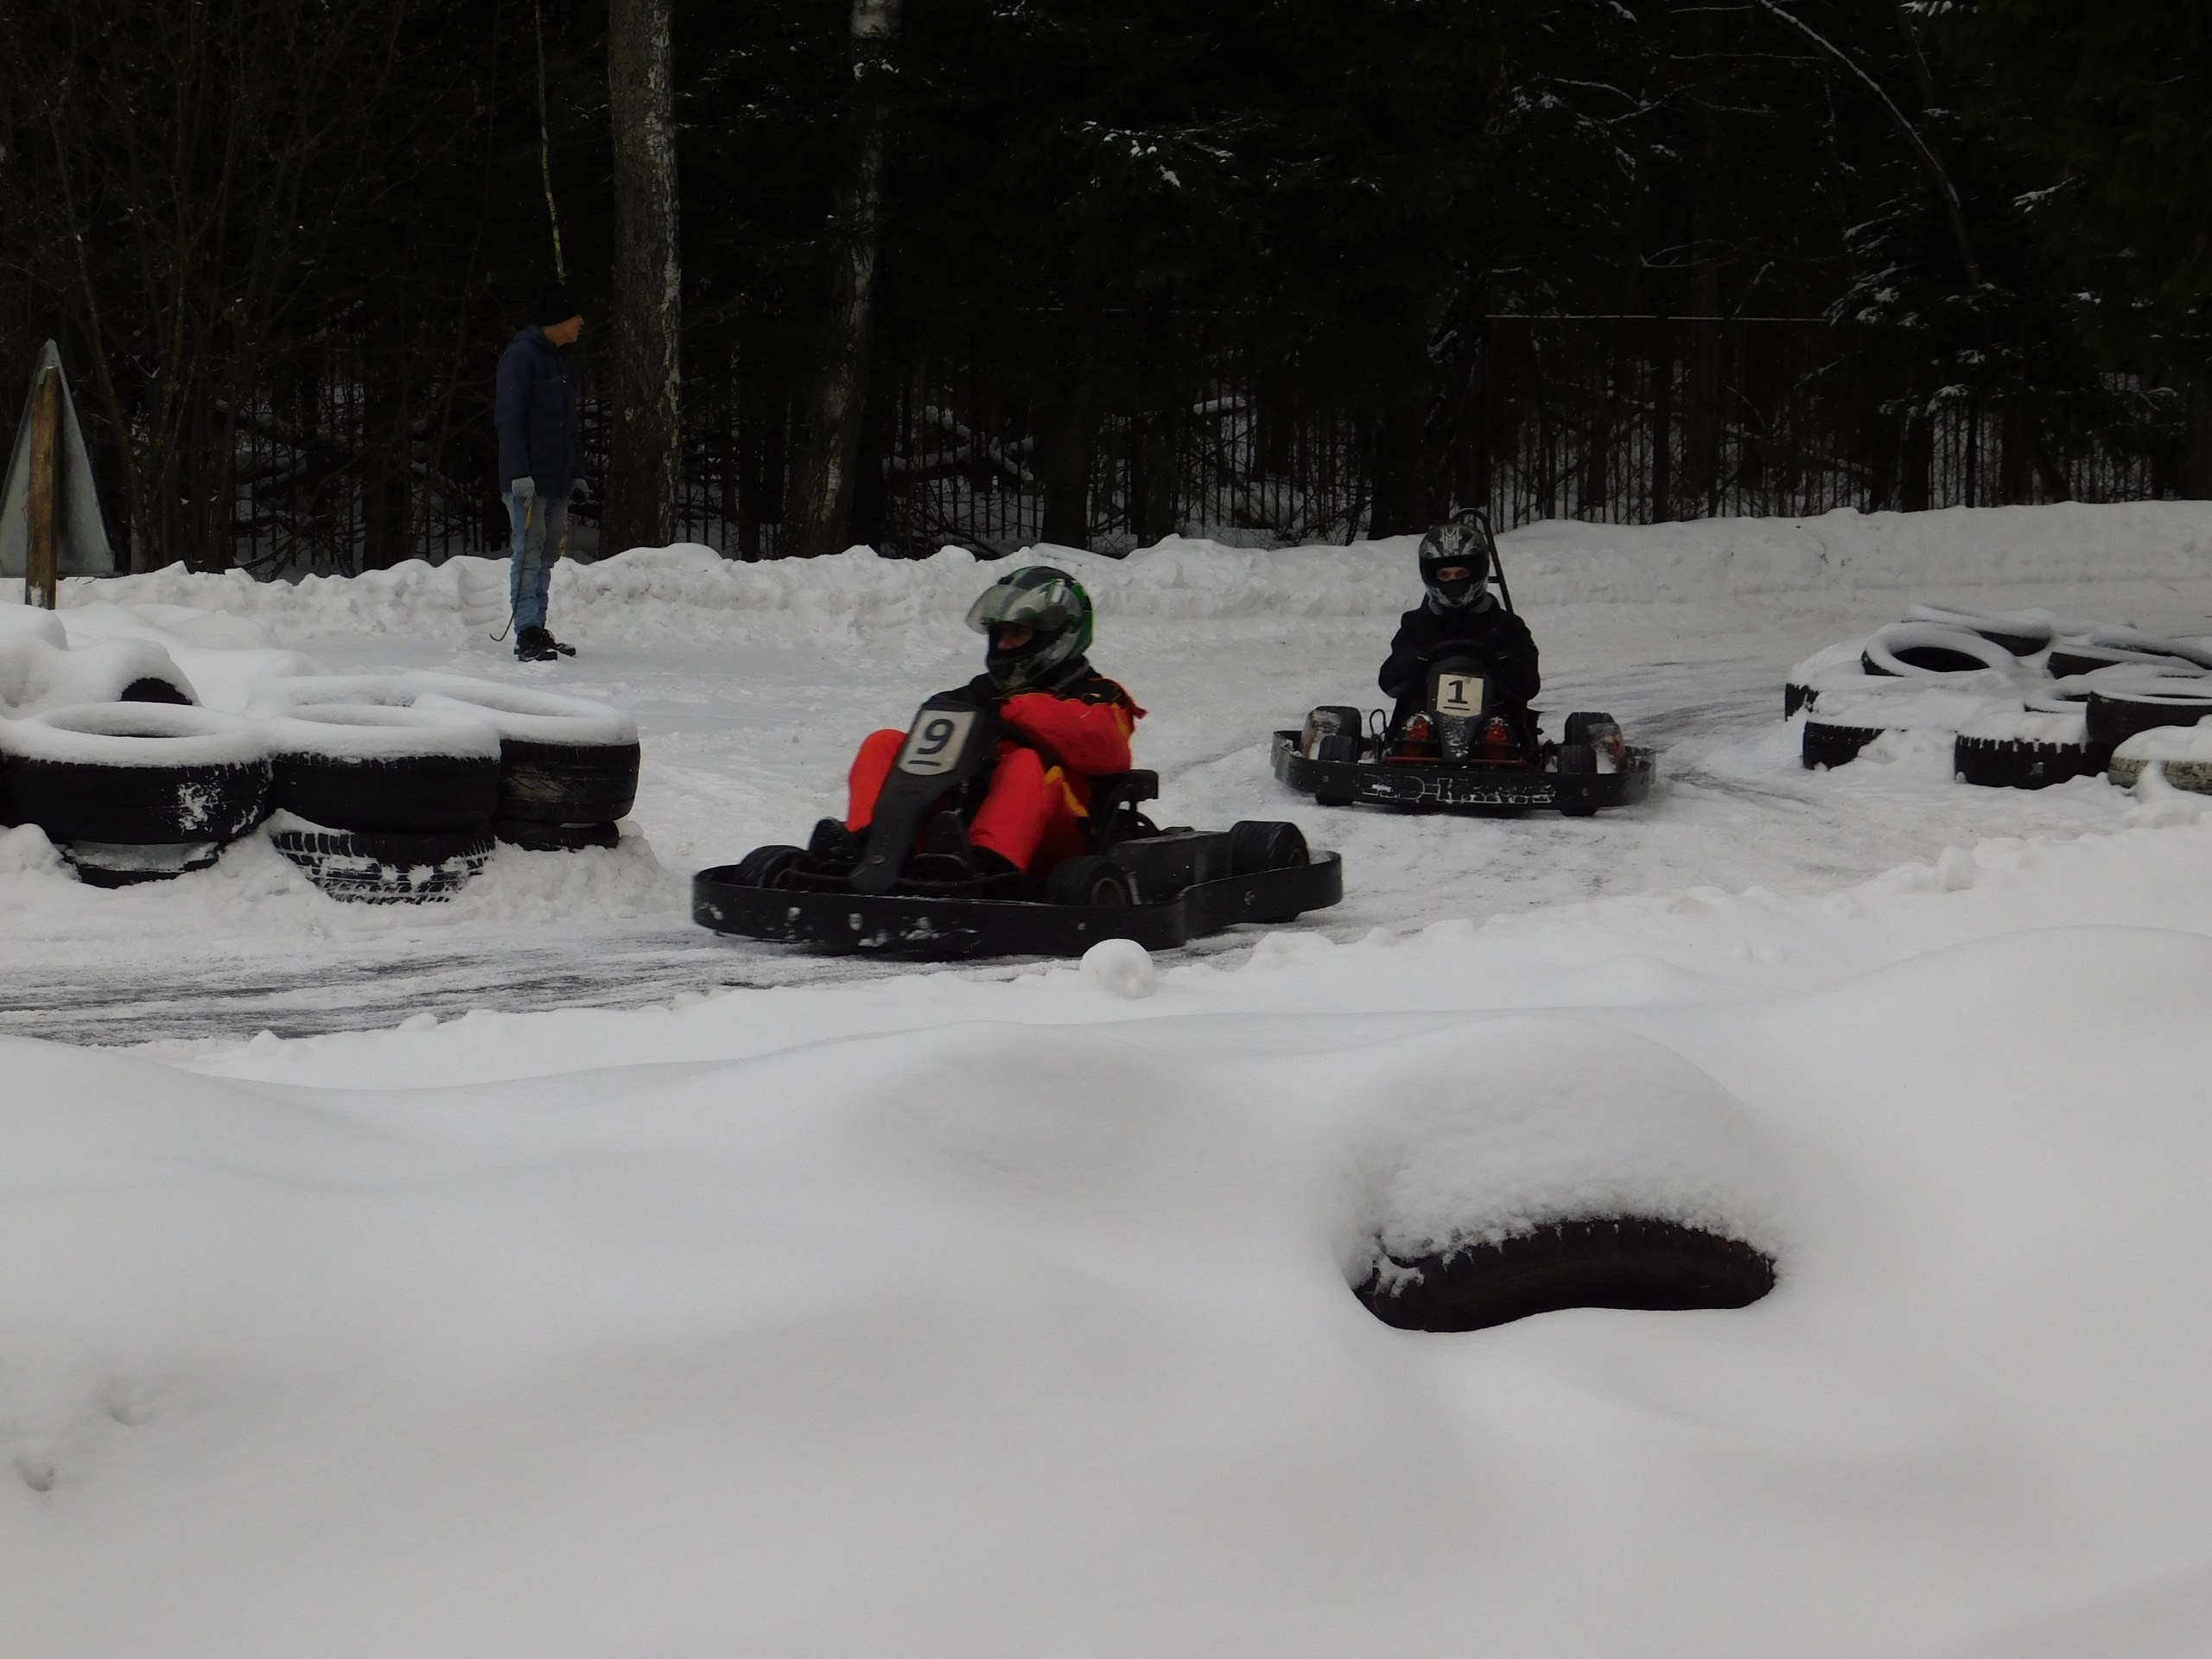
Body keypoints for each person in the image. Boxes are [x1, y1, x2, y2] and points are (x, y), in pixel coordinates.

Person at [816, 566, 1146, 878]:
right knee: (884, 742)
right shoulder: (981, 693)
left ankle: (990, 865)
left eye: (1017, 632)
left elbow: (1108, 749)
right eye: (999, 633)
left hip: (1061, 843)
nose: (1002, 644)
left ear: (1058, 635)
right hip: (959, 836)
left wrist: (1016, 711)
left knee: (1025, 762)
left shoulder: (1099, 695)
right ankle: (870, 845)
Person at [1378, 510, 1540, 736]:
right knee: (1415, 730)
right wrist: (1410, 663)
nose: (1453, 581)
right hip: (1424, 734)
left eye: (1461, 573)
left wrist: (1502, 664)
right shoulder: (1416, 625)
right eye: (1444, 575)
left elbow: (1529, 686)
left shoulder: (1507, 626)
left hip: (1492, 734)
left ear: (1477, 572)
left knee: (1498, 734)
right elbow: (1388, 682)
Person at [495, 286, 586, 663]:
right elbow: (509, 418)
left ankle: (538, 625)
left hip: (556, 478)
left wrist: (576, 471)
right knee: (528, 553)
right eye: (575, 316)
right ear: (558, 319)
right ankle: (526, 631)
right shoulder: (521, 357)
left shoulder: (561, 359)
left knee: (547, 555)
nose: (581, 323)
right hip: (529, 480)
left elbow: (568, 424)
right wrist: (519, 472)